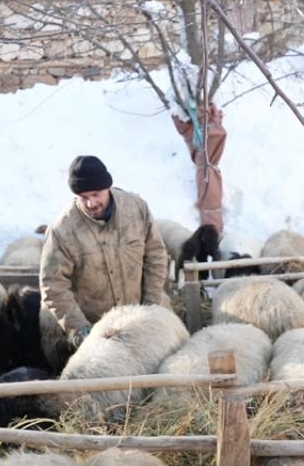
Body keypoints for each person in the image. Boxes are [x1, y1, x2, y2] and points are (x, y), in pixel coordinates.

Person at [39, 155, 170, 348]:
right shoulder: (62, 231)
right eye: (84, 197)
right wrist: (80, 329)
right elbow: (53, 285)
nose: (91, 203)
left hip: (140, 317)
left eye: (96, 194)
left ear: (107, 186)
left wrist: (150, 307)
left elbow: (156, 255)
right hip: (96, 332)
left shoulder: (136, 210)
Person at [171, 102, 226, 232]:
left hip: (208, 171)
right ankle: (212, 232)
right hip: (206, 171)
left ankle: (212, 232)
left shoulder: (209, 134)